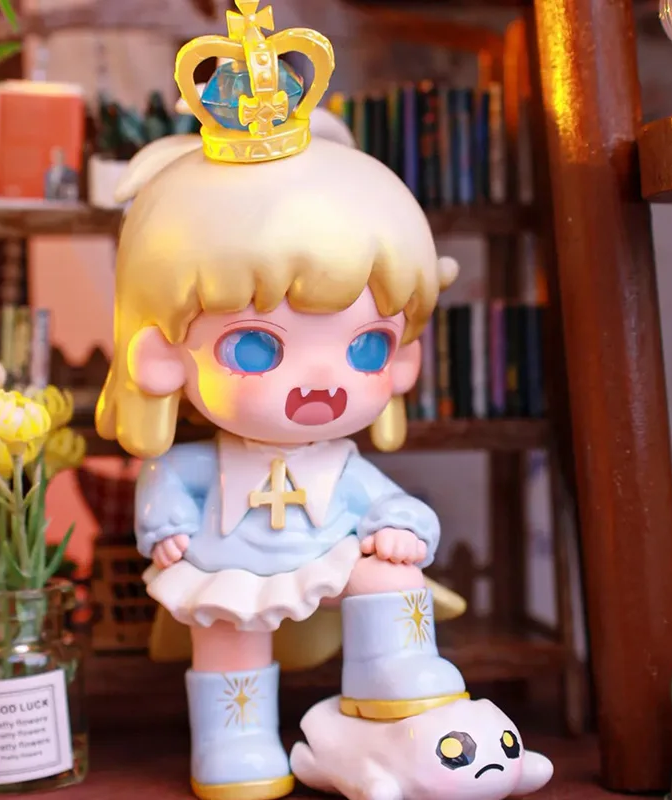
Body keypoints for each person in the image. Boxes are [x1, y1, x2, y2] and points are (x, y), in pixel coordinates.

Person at [96, 4, 465, 799]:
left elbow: (390, 504)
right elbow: (168, 482)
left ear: (403, 360)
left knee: (388, 579)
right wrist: (165, 527)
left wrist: (402, 528)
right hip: (233, 568)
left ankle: (394, 681)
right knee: (227, 637)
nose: (321, 380)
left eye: (366, 347)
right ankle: (233, 743)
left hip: (331, 551)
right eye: (257, 348)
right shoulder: (206, 459)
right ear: (162, 357)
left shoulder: (343, 465)